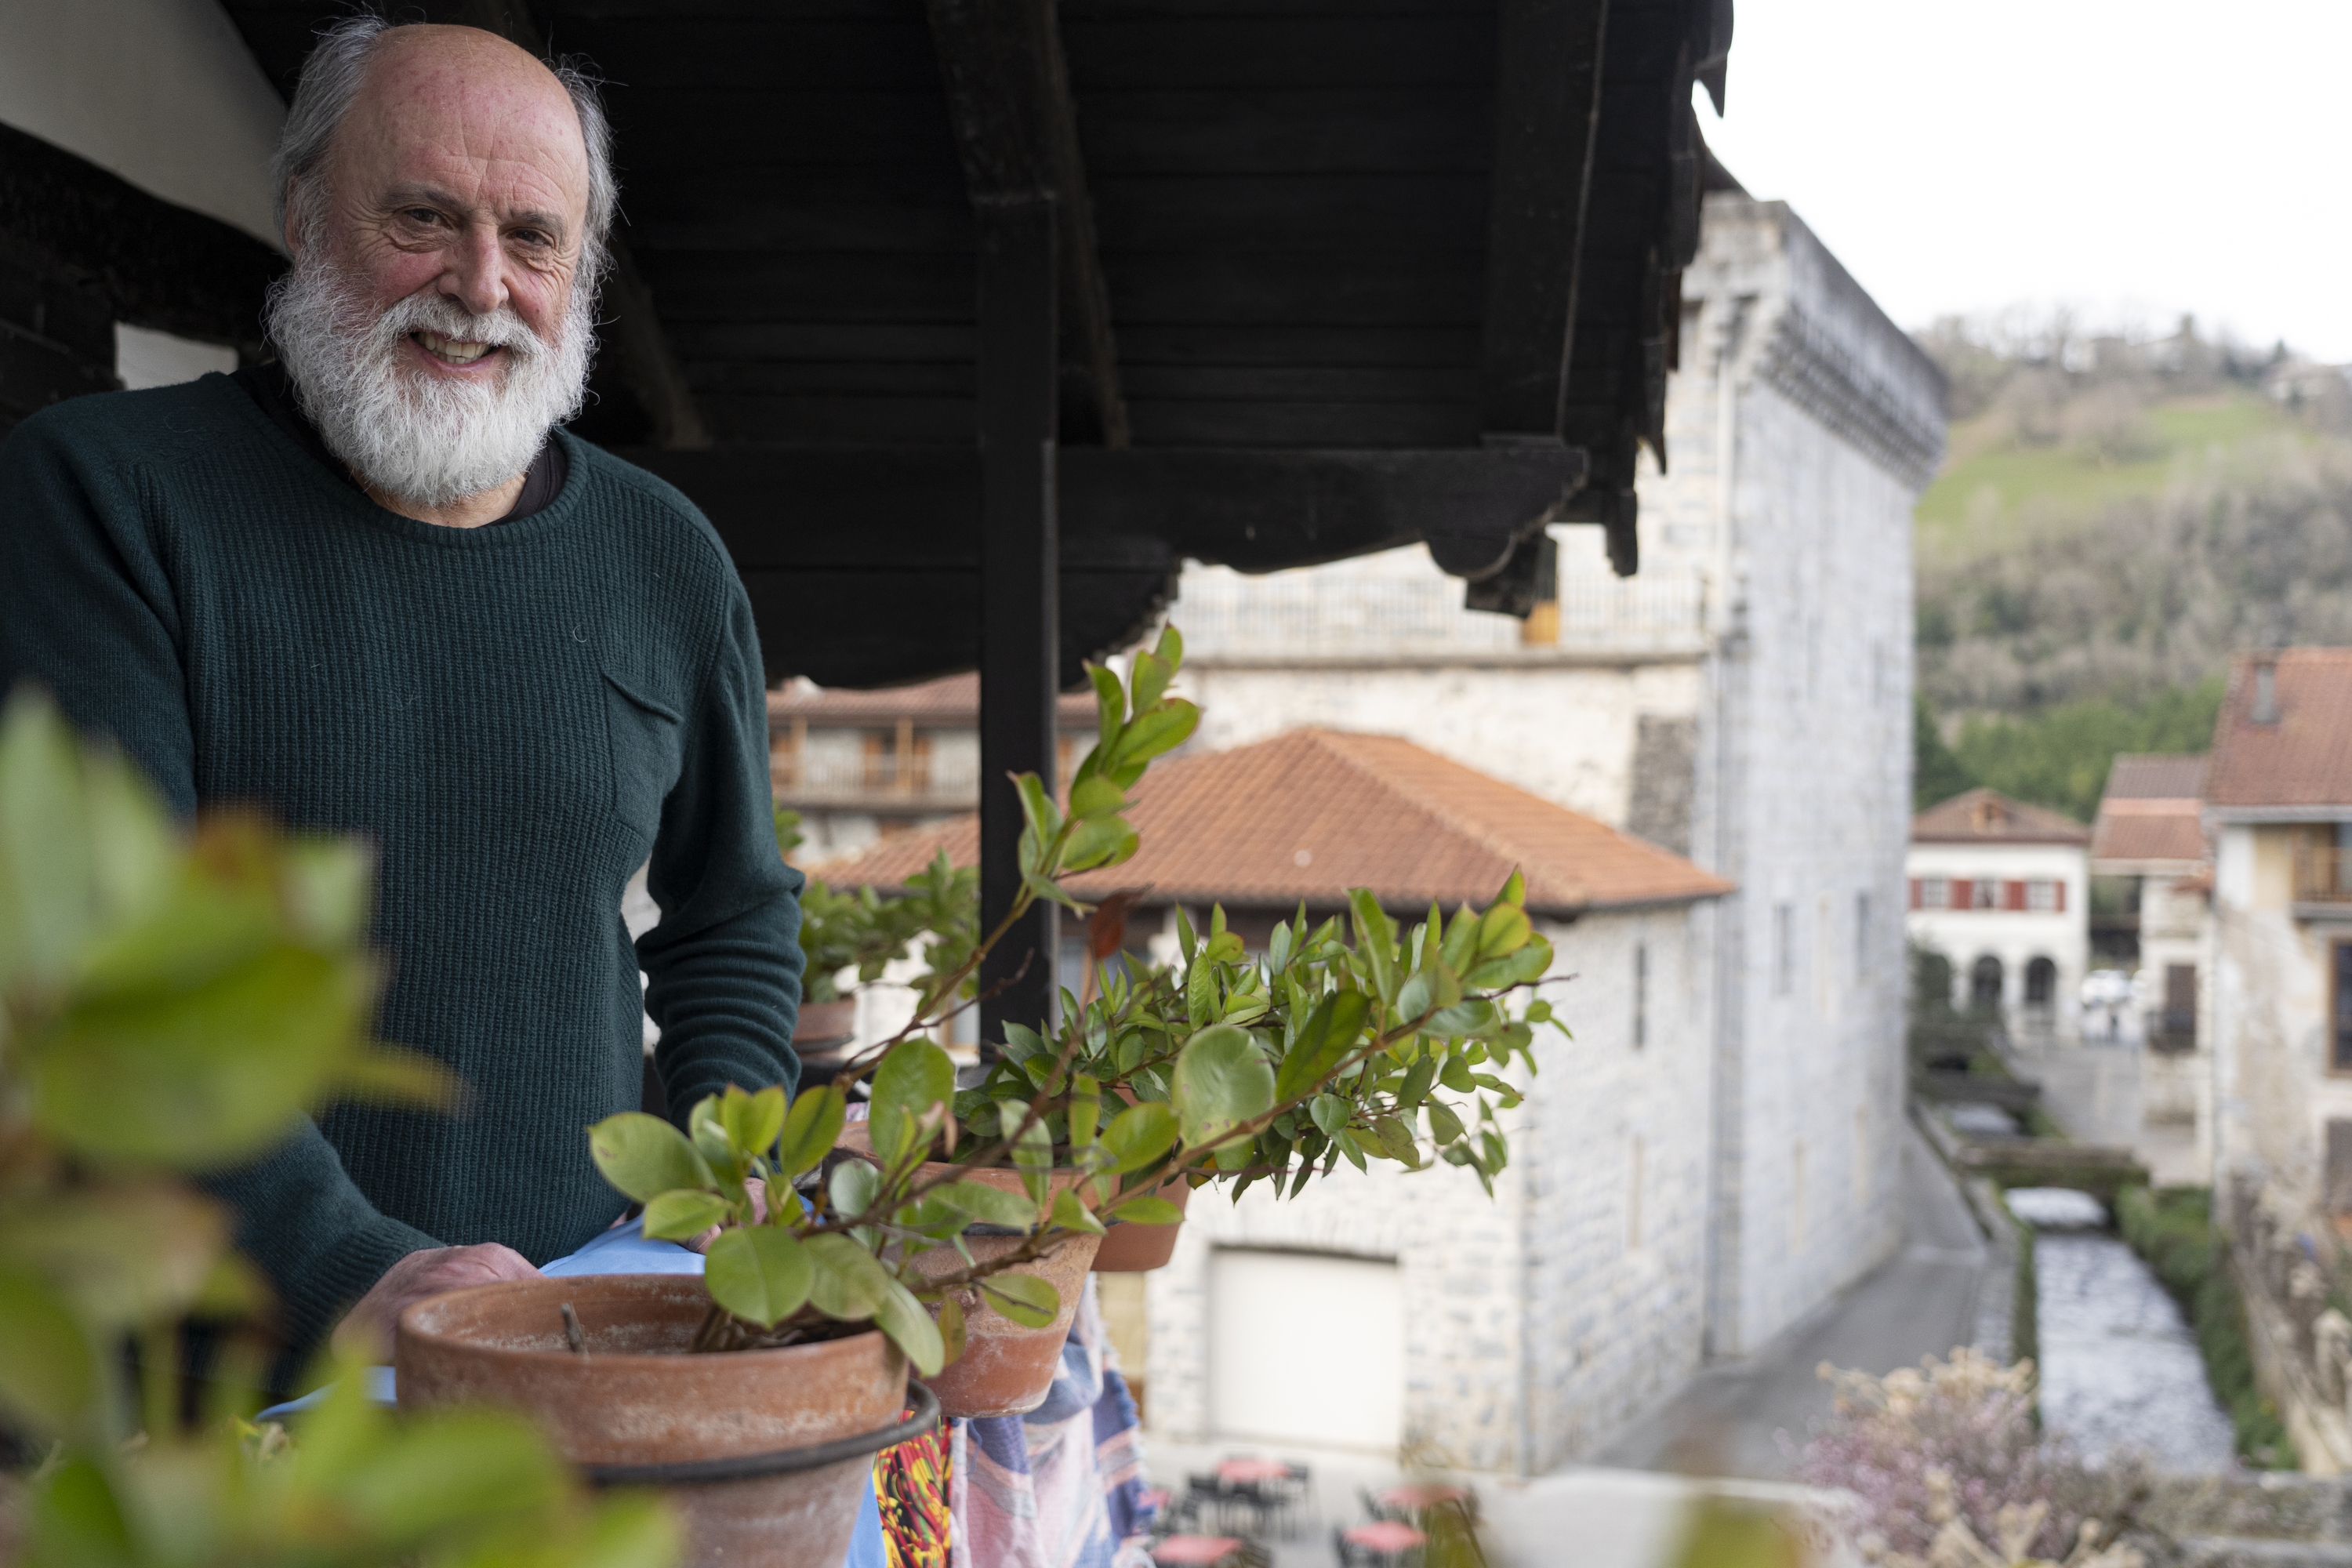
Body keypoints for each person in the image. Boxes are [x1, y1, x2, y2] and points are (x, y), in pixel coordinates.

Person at [0, 19, 803, 1375]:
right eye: (423, 217)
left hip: (570, 1351)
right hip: (211, 1393)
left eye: (534, 238)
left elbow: (731, 908)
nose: (481, 284)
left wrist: (728, 1175)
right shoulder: (104, 497)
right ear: (306, 212)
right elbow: (102, 956)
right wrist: (346, 1268)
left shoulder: (666, 557)